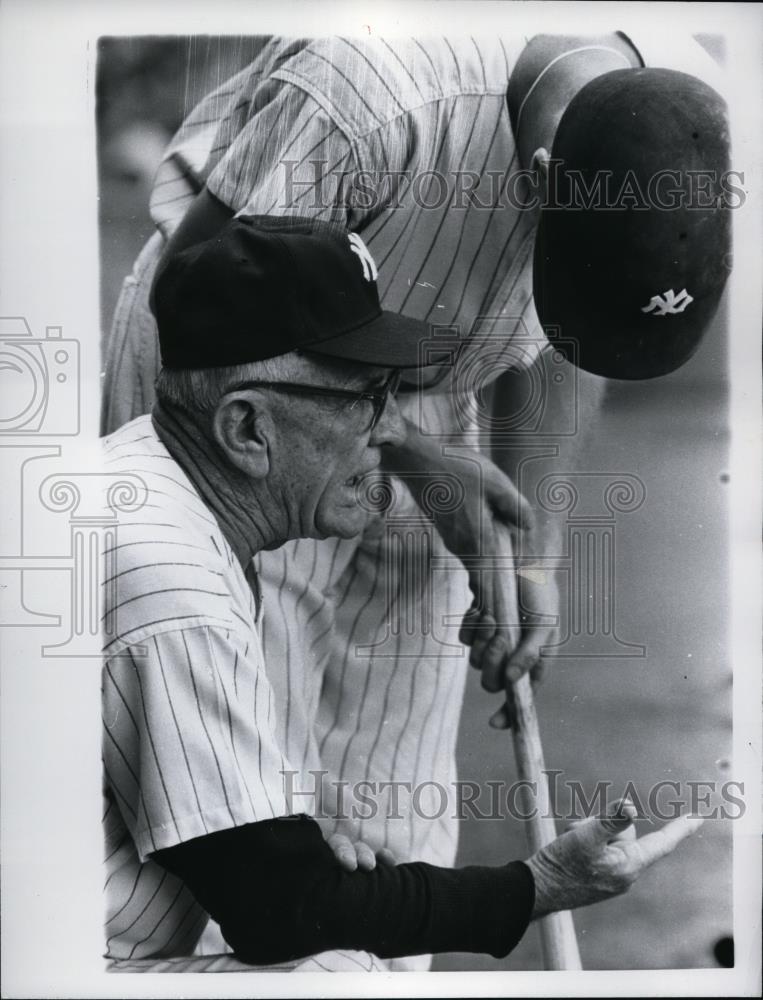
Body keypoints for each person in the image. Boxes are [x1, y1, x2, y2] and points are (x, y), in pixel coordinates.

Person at [101, 32, 728, 970]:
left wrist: (529, 551)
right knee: (235, 844)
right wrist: (402, 441)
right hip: (261, 418)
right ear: (544, 181)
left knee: (387, 847)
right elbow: (216, 316)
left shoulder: (682, 121)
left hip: (407, 397)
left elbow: (566, 335)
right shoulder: (373, 94)